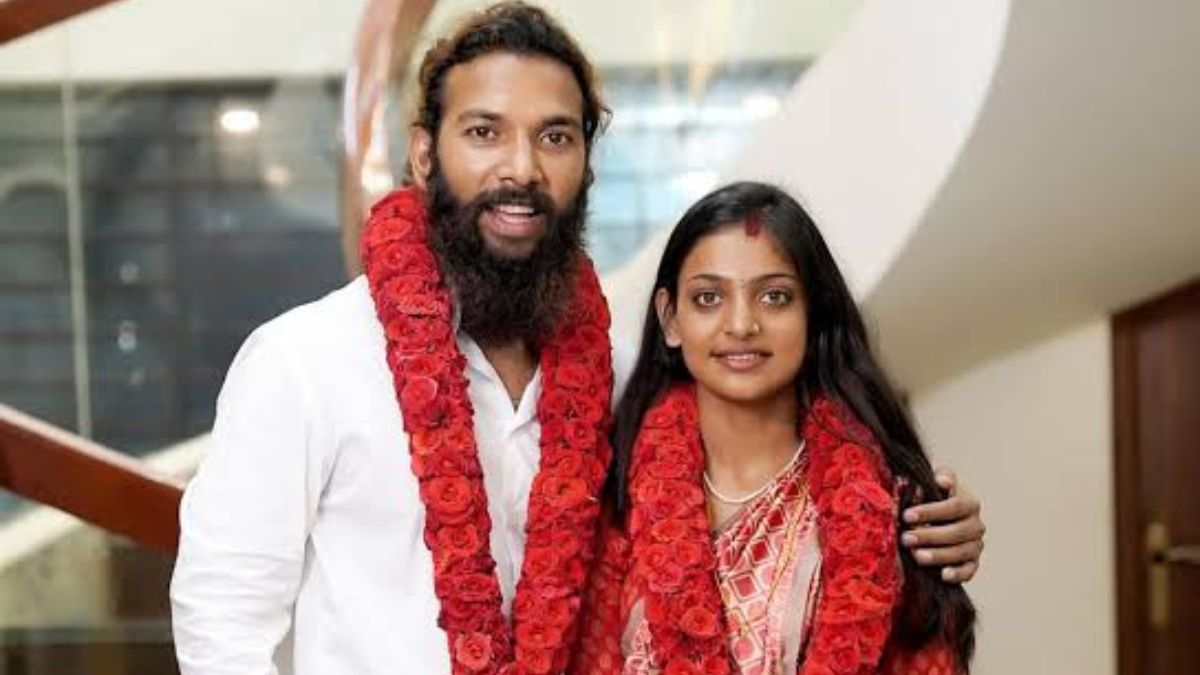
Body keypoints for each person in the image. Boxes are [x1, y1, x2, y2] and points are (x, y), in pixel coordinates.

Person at [170, 4, 984, 674]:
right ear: (423, 153)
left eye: (555, 136)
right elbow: (220, 623)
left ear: (586, 163)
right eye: (484, 132)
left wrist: (923, 521)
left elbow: (765, 486)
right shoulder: (306, 361)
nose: (521, 169)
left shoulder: (623, 381)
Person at [572, 182, 975, 675]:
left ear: (813, 313)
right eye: (708, 298)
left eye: (774, 297)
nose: (742, 324)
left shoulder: (890, 507)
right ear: (670, 319)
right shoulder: (613, 497)